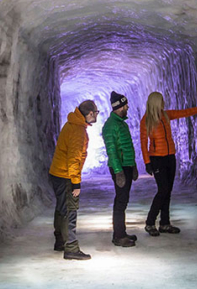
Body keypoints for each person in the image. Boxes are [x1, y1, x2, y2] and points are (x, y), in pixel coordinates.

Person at [140, 92, 197, 235]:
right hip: (157, 159)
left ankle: (165, 223)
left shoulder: (165, 115)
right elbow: (143, 143)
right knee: (162, 190)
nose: (163, 103)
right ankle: (150, 222)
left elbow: (185, 112)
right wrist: (147, 162)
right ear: (156, 102)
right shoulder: (146, 120)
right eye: (161, 101)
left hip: (170, 157)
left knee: (168, 191)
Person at [49, 100, 100, 260]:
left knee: (61, 208)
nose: (96, 115)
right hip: (65, 176)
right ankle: (70, 247)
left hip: (57, 173)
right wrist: (76, 182)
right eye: (96, 113)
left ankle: (60, 241)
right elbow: (73, 160)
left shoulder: (71, 124)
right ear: (90, 113)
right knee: (70, 210)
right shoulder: (78, 130)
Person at [101, 91, 139, 247]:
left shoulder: (121, 123)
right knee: (120, 201)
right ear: (119, 106)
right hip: (120, 167)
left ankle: (121, 232)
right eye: (125, 105)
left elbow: (127, 147)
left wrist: (133, 165)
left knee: (124, 200)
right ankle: (118, 236)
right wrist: (118, 171)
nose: (127, 107)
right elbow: (112, 150)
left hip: (126, 166)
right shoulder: (110, 126)